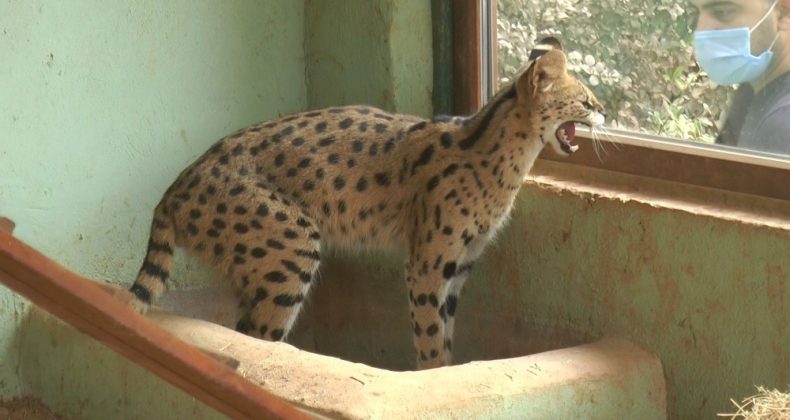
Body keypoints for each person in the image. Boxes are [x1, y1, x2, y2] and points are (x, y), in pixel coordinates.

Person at [692, 0, 790, 154]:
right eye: (697, 12)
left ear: (782, 13)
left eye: (723, 12)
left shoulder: (782, 124)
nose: (701, 30)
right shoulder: (751, 89)